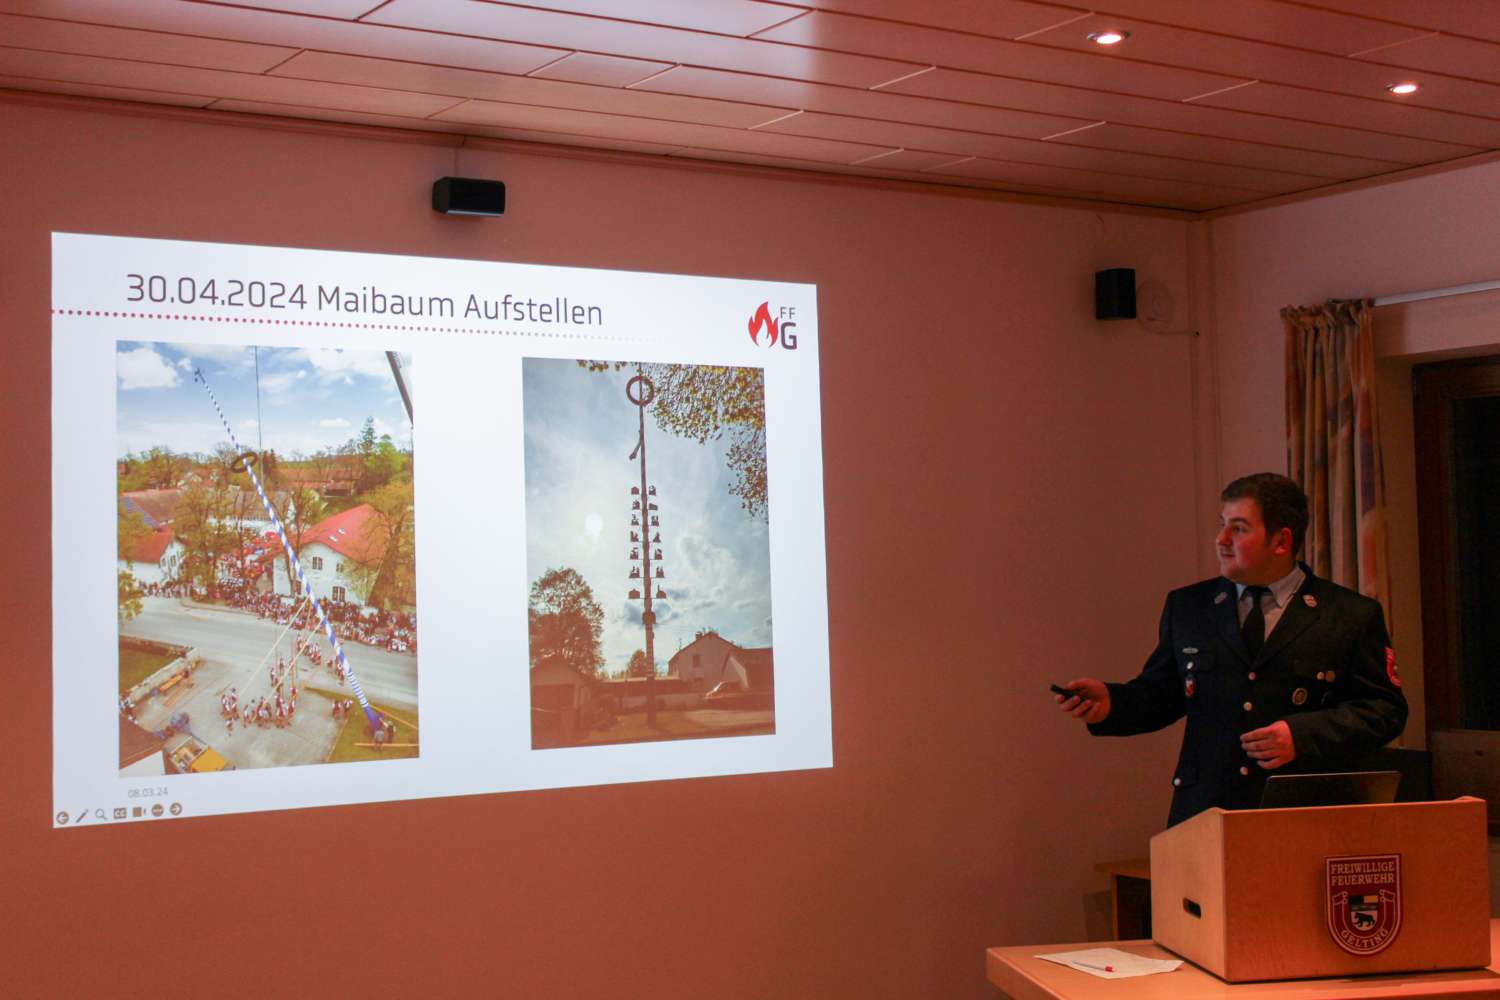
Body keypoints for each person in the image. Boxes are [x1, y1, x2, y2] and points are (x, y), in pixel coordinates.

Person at [1057, 473, 1407, 827]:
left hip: (1302, 813)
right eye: (1222, 524)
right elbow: (1162, 695)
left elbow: (1385, 711)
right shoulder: (1190, 607)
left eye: (1238, 528)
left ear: (1281, 541)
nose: (1221, 539)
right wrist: (1112, 704)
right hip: (1207, 814)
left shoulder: (1348, 615)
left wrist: (1301, 736)